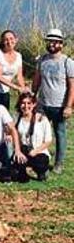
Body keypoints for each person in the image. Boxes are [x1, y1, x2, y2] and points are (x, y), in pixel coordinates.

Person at [32, 28, 74, 174]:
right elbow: (36, 81)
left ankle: (59, 164)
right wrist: (32, 96)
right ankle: (37, 160)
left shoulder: (67, 62)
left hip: (59, 105)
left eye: (55, 42)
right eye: (50, 42)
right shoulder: (42, 60)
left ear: (61, 44)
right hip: (43, 104)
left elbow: (72, 86)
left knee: (59, 134)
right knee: (38, 132)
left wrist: (68, 106)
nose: (52, 45)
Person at [12, 92, 53, 182]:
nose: (26, 106)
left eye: (29, 103)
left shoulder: (42, 119)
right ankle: (22, 172)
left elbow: (48, 140)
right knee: (22, 179)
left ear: (34, 104)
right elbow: (12, 133)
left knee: (40, 163)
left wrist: (35, 151)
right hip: (23, 150)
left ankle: (42, 172)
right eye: (23, 103)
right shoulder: (16, 117)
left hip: (38, 151)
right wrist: (17, 150)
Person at [0, 30, 26, 110]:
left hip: (5, 90)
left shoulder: (18, 56)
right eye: (6, 40)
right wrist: (16, 87)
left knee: (4, 114)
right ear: (2, 42)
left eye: (11, 38)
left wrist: (23, 90)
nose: (9, 42)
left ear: (16, 40)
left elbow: (19, 77)